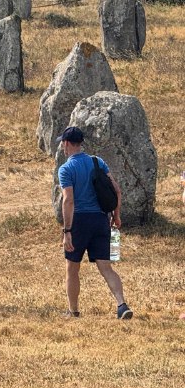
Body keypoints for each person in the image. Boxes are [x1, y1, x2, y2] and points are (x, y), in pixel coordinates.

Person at [58, 126, 133, 319]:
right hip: (101, 219)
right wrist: (116, 216)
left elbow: (68, 200)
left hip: (79, 222)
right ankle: (121, 304)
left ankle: (73, 311)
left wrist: (67, 231)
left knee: (72, 268)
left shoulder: (66, 169)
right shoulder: (97, 162)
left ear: (66, 143)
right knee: (106, 267)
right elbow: (116, 190)